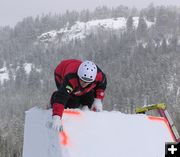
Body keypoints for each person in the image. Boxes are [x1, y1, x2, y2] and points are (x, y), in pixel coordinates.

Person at [50, 59, 107, 131]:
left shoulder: (99, 76)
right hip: (60, 72)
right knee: (71, 102)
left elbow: (102, 85)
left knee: (89, 98)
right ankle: (54, 97)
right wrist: (57, 116)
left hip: (75, 69)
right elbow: (62, 97)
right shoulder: (70, 78)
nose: (83, 83)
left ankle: (82, 101)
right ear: (78, 75)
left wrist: (98, 100)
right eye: (82, 80)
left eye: (87, 82)